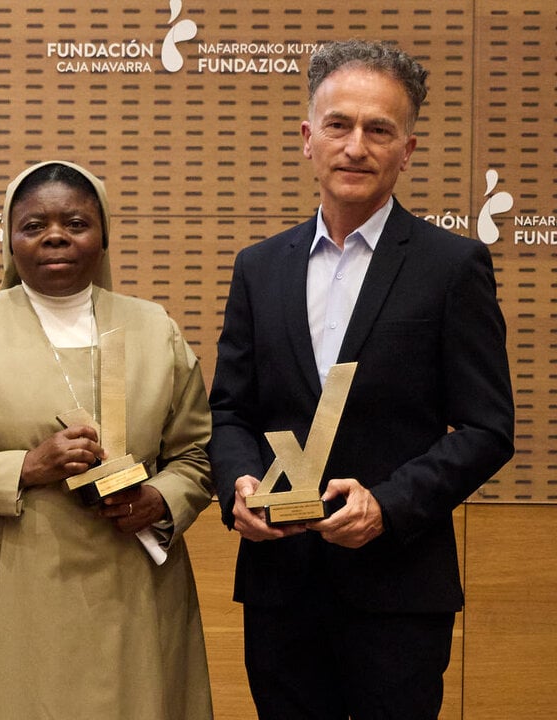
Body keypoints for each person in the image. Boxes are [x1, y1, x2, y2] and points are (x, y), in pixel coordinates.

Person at [208, 40, 515, 720]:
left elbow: (490, 428)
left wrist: (389, 504)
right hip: (279, 587)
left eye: (379, 129)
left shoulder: (451, 265)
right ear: (307, 138)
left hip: (398, 589)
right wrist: (240, 486)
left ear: (407, 148)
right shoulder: (260, 267)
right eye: (339, 125)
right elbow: (229, 411)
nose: (356, 146)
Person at [0, 160, 215, 719]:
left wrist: (161, 499)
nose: (56, 236)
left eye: (75, 222)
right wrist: (25, 467)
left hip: (130, 585)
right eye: (34, 225)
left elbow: (194, 454)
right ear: (10, 241)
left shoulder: (153, 329)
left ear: (104, 235)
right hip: (0, 592)